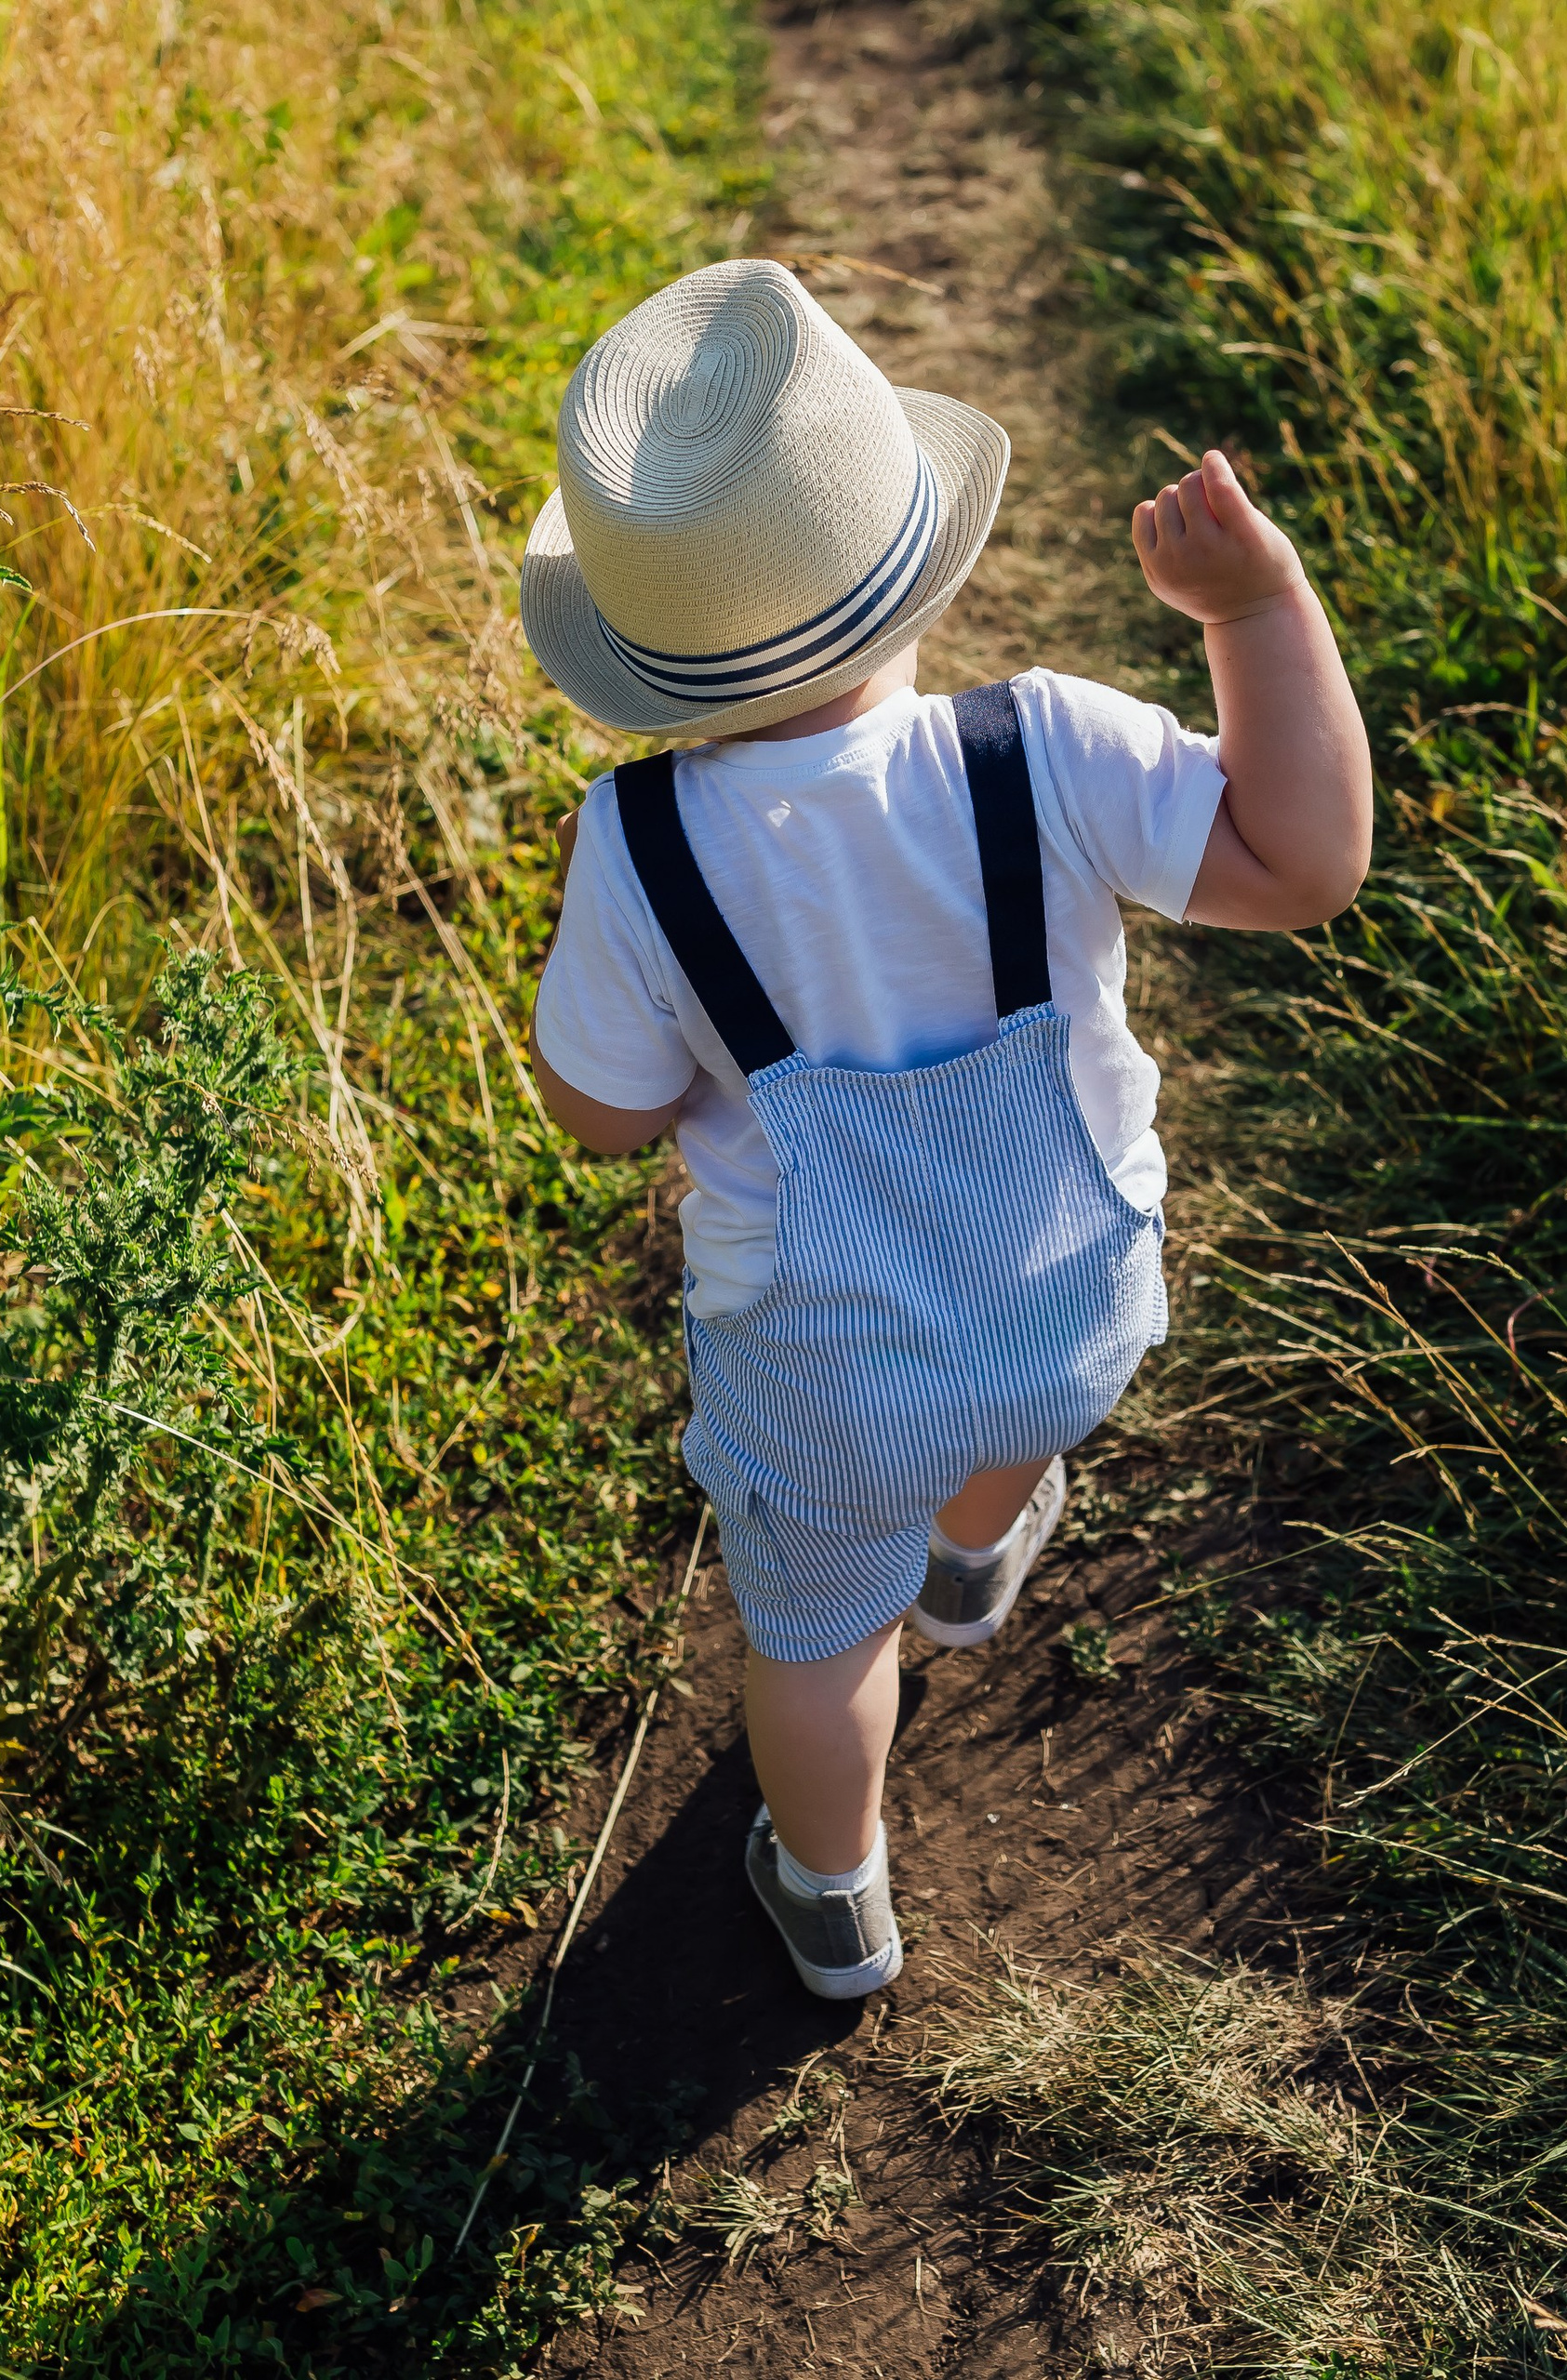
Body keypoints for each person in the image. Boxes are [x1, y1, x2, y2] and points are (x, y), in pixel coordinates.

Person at [522, 258, 1370, 1998]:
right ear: (913, 566)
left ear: (649, 665)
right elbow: (1308, 864)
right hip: (1063, 1302)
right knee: (998, 1417)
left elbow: (602, 1118)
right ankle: (978, 1560)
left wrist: (689, 1063)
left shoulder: (640, 851)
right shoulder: (1042, 750)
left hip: (824, 1368)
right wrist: (1257, 608)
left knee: (821, 1640)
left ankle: (832, 1895)